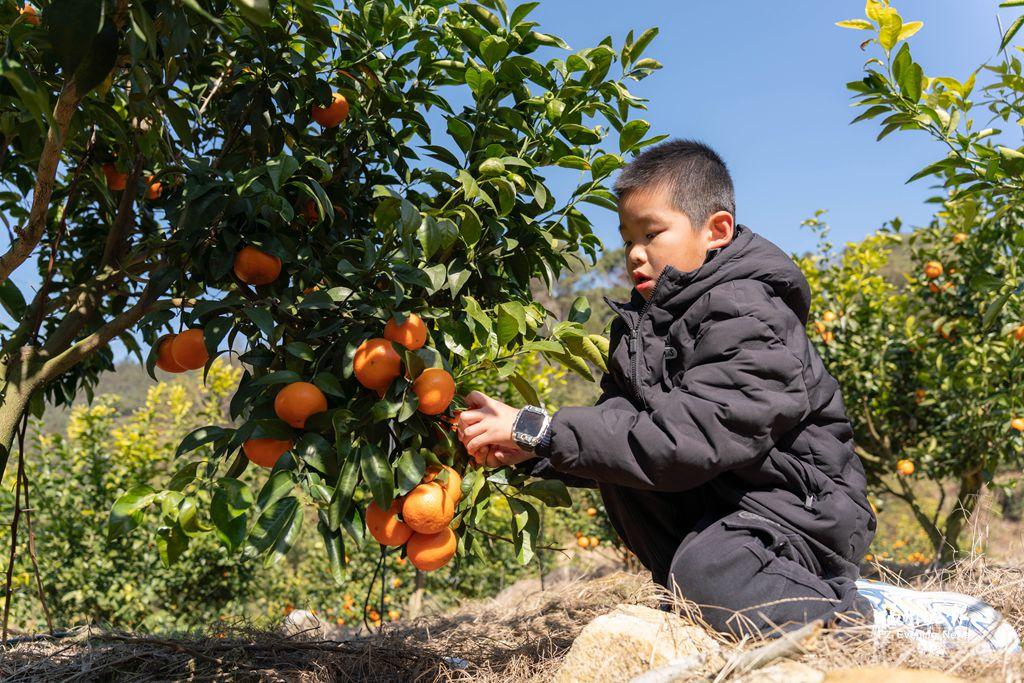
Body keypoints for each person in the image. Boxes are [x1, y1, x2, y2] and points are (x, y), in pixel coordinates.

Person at [455, 139, 1019, 653]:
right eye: (627, 240)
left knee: (708, 571)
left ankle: (877, 618)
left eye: (651, 234)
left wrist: (545, 429)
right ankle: (724, 589)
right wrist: (538, 447)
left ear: (716, 230)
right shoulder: (643, 329)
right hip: (732, 505)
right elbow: (620, 428)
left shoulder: (747, 311)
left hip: (800, 509)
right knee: (625, 462)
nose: (634, 255)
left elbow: (693, 436)